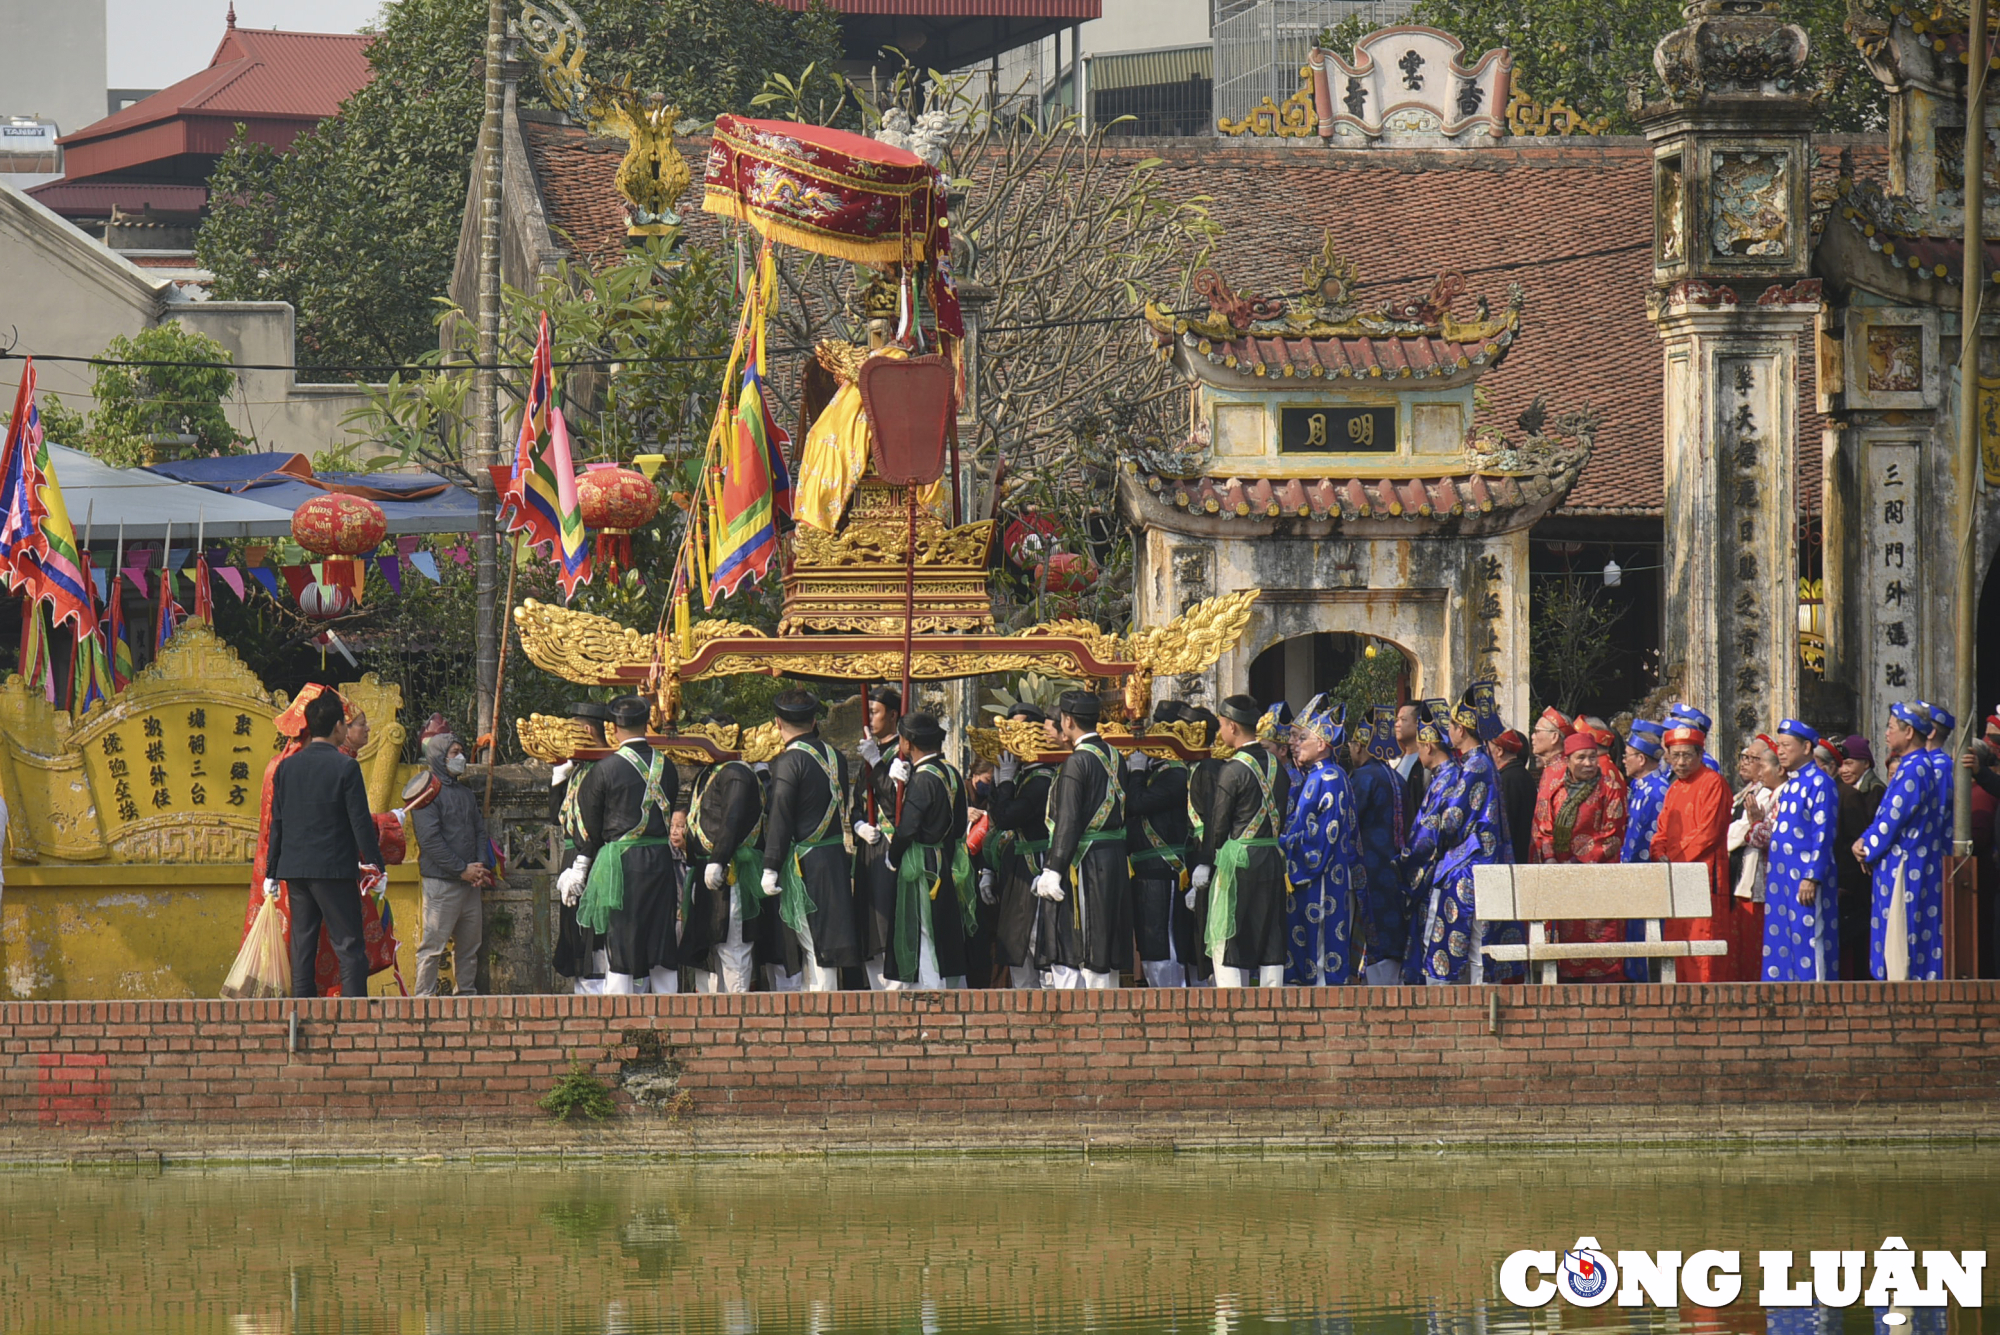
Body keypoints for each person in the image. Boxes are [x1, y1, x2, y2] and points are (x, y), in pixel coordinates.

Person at [558, 695, 680, 995]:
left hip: (621, 864)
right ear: (646, 724)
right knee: (661, 938)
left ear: (613, 729)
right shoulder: (669, 766)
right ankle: (674, 1017)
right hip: (661, 861)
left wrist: (580, 867)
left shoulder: (605, 769)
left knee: (621, 940)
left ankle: (618, 1025)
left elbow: (590, 828)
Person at [265, 690, 383, 998]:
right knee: (349, 946)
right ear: (337, 728)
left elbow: (277, 822)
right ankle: (354, 1021)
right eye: (344, 724)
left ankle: (301, 1018)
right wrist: (375, 866)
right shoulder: (345, 767)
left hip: (295, 870)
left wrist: (271, 871)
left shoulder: (286, 768)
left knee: (303, 947)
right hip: (333, 868)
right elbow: (359, 822)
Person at [761, 689, 863, 992]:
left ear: (777, 723)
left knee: (814, 943)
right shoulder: (837, 757)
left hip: (805, 863)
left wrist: (771, 865)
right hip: (833, 857)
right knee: (826, 942)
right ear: (815, 720)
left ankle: (822, 1017)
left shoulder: (789, 761)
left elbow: (780, 815)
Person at [1188, 694, 1290, 987]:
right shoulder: (1277, 767)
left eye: (1221, 725)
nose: (1220, 731)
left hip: (1238, 861)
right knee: (1271, 931)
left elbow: (1217, 824)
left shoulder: (1232, 770)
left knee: (1227, 933)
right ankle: (1274, 1005)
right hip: (1271, 858)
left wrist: (1205, 862)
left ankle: (1232, 1008)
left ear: (1232, 726)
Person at [1035, 690, 1131, 989]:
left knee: (1085, 943)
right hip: (1114, 856)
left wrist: (1053, 868)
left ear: (1067, 720)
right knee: (1105, 939)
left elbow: (1069, 821)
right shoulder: (1115, 755)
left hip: (1087, 861)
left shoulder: (1078, 761)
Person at [882, 710, 976, 989]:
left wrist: (894, 855)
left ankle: (933, 996)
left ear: (908, 742)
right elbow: (958, 822)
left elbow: (908, 826)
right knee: (944, 927)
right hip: (944, 857)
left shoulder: (924, 778)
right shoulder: (952, 772)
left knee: (924, 930)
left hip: (922, 861)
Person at [1855, 702, 1946, 980]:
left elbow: (1893, 816)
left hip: (1906, 863)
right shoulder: (1915, 766)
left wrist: (1865, 845)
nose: (1886, 733)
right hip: (1904, 860)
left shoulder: (1914, 768)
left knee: (1900, 935)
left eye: (1891, 727)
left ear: (1908, 733)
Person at [1530, 730, 1628, 981]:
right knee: (1563, 934)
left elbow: (1613, 833)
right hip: (1560, 875)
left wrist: (1579, 861)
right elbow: (1543, 823)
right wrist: (1551, 858)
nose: (1588, 763)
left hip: (1597, 875)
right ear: (1568, 759)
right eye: (1581, 758)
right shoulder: (1554, 782)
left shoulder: (1610, 785)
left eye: (1592, 757)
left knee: (1600, 936)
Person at [677, 712, 765, 994]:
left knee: (733, 946)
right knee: (708, 949)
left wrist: (718, 859)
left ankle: (736, 1018)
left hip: (729, 870)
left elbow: (732, 819)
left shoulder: (737, 773)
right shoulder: (709, 772)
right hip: (705, 869)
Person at [1652, 720, 1739, 981]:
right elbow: (1661, 830)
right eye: (1675, 756)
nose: (1680, 762)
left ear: (1700, 755)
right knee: (1678, 940)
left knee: (1703, 942)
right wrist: (1659, 852)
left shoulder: (1713, 783)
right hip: (1676, 876)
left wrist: (1674, 861)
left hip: (1704, 875)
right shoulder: (1674, 788)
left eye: (1687, 755)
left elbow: (1708, 833)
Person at [1279, 700, 1359, 985]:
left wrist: (1284, 843)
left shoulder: (1331, 776)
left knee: (1322, 952)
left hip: (1324, 874)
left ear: (1323, 744)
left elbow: (1324, 834)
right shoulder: (1314, 776)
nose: (1295, 744)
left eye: (1303, 738)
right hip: (1310, 873)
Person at [410, 730, 492, 997]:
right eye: (454, 753)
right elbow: (430, 841)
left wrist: (478, 866)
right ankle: (423, 1000)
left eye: (460, 752)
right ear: (438, 757)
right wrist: (462, 869)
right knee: (433, 947)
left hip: (470, 883)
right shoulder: (426, 794)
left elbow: (479, 830)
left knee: (469, 947)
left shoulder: (465, 794)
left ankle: (466, 994)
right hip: (442, 883)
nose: (461, 758)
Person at [987, 703, 1059, 988]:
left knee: (1037, 939)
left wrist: (1005, 784)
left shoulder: (1041, 779)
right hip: (1017, 867)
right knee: (1017, 943)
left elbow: (1007, 817)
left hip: (1038, 864)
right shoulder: (1024, 777)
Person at [1125, 700, 1197, 988]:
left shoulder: (1176, 774)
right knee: (1150, 939)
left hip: (1164, 869)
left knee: (1163, 940)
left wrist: (1137, 772)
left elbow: (1138, 803)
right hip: (1146, 868)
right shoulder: (1160, 771)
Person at [1762, 719, 1839, 981]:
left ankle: (1817, 1000)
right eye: (1778, 746)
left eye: (1786, 745)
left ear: (1806, 747)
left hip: (1803, 877)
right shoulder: (1792, 784)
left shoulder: (1821, 782)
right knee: (1781, 937)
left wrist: (1812, 875)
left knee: (1808, 937)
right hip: (1781, 878)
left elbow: (1824, 833)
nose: (1780, 751)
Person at [551, 701, 612, 994]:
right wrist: (558, 779)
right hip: (572, 853)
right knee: (573, 930)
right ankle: (582, 991)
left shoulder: (604, 769)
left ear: (586, 731)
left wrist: (583, 865)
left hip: (595, 857)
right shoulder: (578, 769)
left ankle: (598, 991)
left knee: (594, 931)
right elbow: (557, 817)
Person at [1399, 705, 1462, 984]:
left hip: (1438, 872)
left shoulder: (1447, 780)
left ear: (1428, 746)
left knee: (1431, 944)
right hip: (1436, 870)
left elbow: (1431, 833)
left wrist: (1404, 858)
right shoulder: (1445, 777)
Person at [1349, 705, 1411, 986]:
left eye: (1352, 745)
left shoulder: (1363, 778)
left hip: (1369, 868)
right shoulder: (1397, 778)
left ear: (1360, 747)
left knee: (1371, 927)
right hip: (1396, 866)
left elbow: (1350, 822)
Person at [850, 686, 903, 990]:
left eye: (876, 711)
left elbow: (897, 804)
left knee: (888, 924)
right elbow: (857, 802)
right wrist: (857, 824)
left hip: (891, 846)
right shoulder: (869, 751)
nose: (870, 718)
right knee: (868, 925)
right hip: (869, 846)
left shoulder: (902, 753)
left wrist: (878, 764)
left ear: (893, 715)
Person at [1490, 728, 1536, 867]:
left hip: (1512, 859)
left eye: (1489, 748)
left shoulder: (1508, 779)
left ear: (1499, 751)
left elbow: (1506, 824)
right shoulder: (1520, 774)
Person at [1392, 700, 1424, 826]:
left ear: (1418, 724)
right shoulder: (1399, 762)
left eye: (1403, 720)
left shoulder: (1424, 764)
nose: (1397, 725)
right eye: (1397, 720)